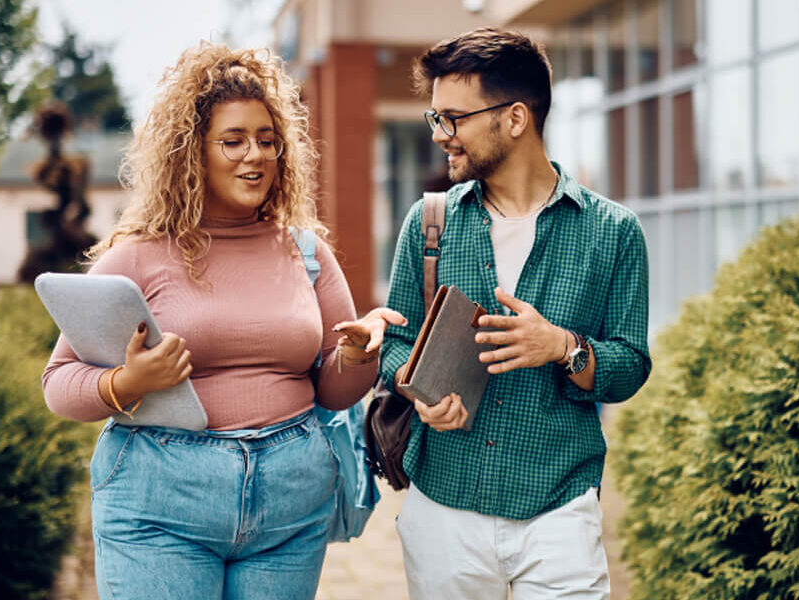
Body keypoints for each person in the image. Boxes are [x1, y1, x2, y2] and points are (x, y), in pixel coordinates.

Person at [40, 41, 403, 600]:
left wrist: (357, 355)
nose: (253, 155)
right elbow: (59, 384)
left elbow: (333, 393)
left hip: (290, 504)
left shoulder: (306, 252)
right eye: (232, 141)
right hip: (161, 503)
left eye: (266, 140)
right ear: (192, 153)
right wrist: (129, 382)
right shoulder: (139, 256)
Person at [379, 27, 653, 600]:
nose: (441, 136)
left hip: (559, 511)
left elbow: (630, 365)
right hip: (443, 508)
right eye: (436, 119)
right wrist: (415, 388)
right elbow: (395, 342)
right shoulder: (429, 223)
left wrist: (563, 347)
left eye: (453, 118)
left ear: (514, 118)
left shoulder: (613, 232)